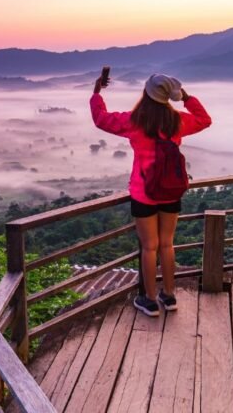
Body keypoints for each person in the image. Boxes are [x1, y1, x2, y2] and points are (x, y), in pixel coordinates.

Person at [90, 73, 212, 316]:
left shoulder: (135, 121)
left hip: (143, 193)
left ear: (146, 93)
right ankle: (169, 295)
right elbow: (204, 120)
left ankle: (150, 300)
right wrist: (185, 97)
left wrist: (96, 94)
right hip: (171, 192)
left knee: (149, 247)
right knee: (167, 244)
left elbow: (101, 119)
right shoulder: (177, 121)